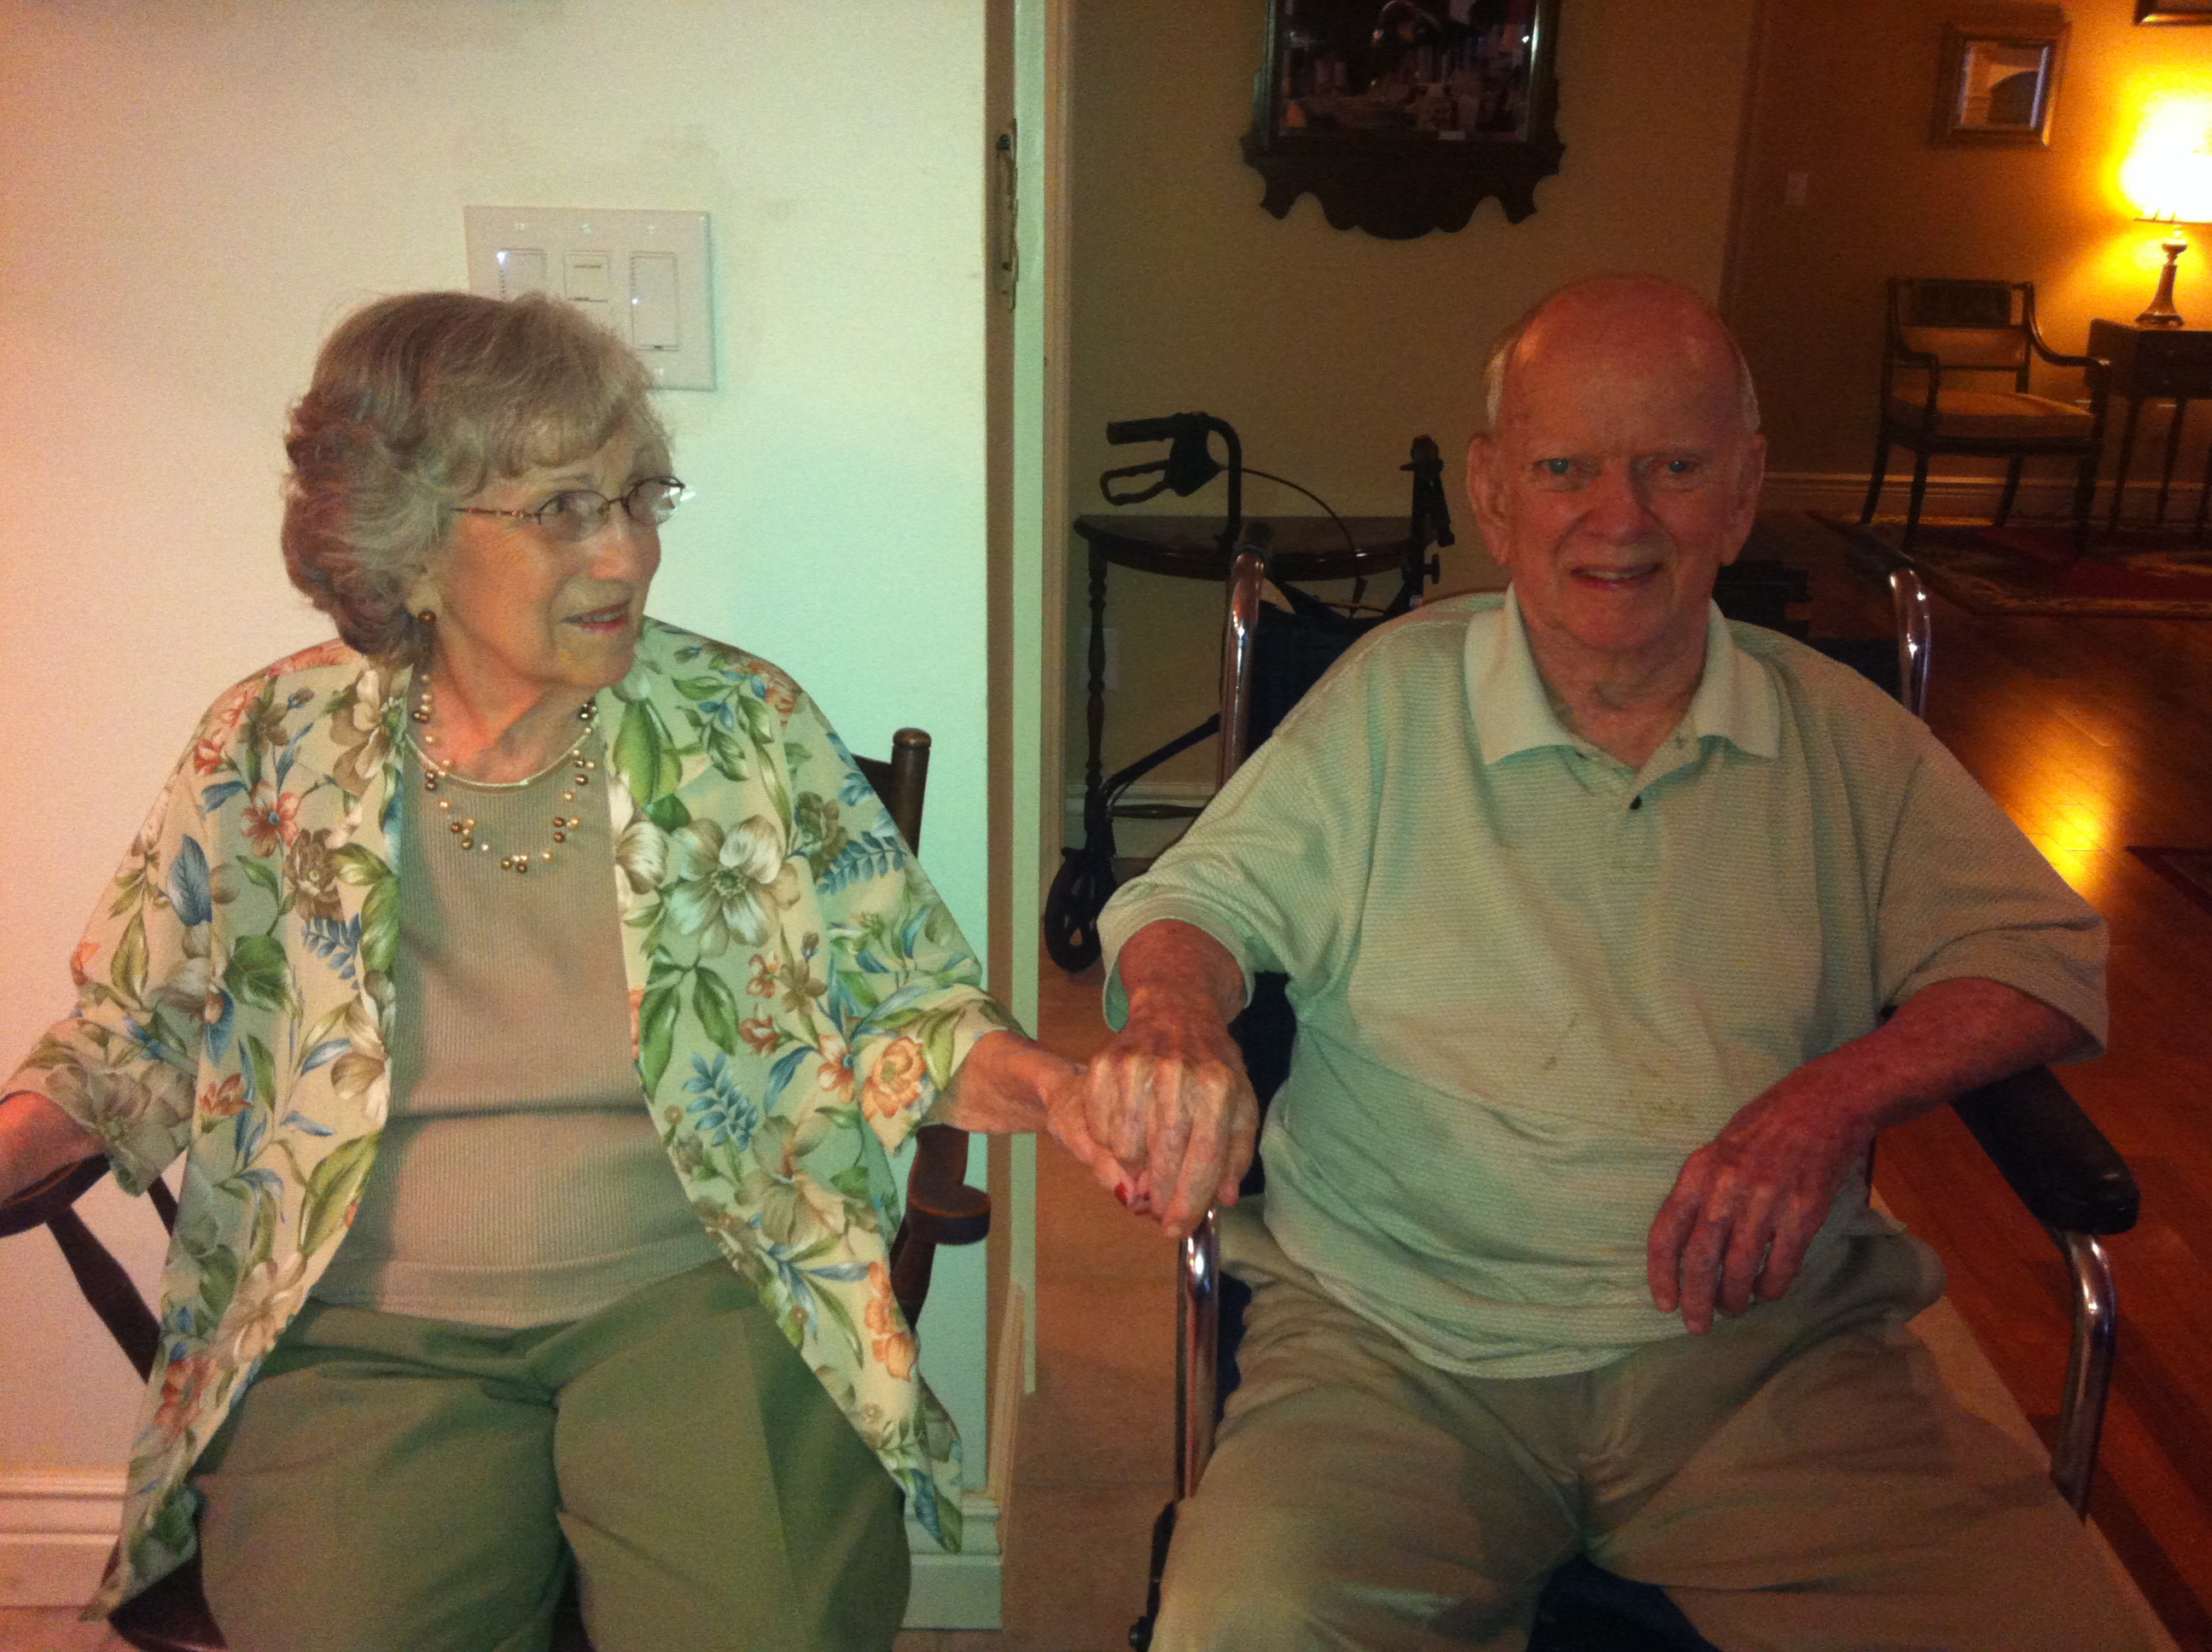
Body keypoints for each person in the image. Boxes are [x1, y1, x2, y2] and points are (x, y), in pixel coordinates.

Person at [0, 291, 1104, 1652]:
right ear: (406, 543)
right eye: (566, 509)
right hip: (364, 1327)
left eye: (639, 497)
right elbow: (141, 1030)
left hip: (702, 1291)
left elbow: (905, 1003)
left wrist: (1054, 1090)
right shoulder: (269, 746)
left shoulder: (741, 726)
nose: (629, 551)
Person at [1081, 276, 2147, 1649]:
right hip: (1392, 1348)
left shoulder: (1841, 737)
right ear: (1493, 493)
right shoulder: (1388, 705)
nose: (1620, 516)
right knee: (1245, 1627)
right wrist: (1176, 1013)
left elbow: (2039, 956)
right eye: (1566, 468)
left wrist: (1833, 1099)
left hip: (1768, 1360)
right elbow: (1194, 903)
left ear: (1744, 492)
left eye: (1674, 468)